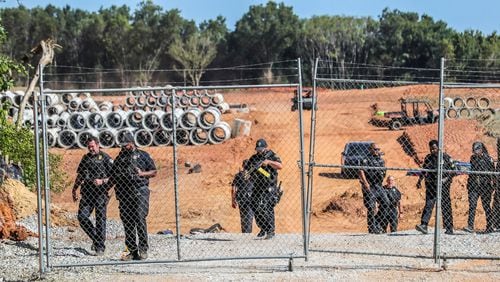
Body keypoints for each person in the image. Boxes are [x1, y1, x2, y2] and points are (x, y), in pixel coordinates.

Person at [110, 132, 157, 261]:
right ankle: (132, 251)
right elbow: (113, 176)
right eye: (122, 145)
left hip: (139, 192)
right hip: (124, 194)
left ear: (131, 143)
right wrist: (105, 189)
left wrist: (141, 174)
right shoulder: (119, 158)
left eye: (125, 145)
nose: (123, 147)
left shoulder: (143, 155)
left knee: (140, 218)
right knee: (128, 223)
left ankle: (143, 249)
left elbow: (154, 172)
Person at [72, 136, 113, 255]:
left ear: (98, 145)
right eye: (89, 147)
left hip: (101, 193)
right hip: (87, 193)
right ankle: (97, 239)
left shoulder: (105, 158)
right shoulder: (85, 158)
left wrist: (103, 181)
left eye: (92, 146)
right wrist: (74, 189)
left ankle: (100, 247)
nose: (91, 149)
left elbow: (114, 176)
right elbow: (80, 175)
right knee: (82, 217)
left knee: (100, 219)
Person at [416, 140, 456, 235]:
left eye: (434, 148)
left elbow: (454, 170)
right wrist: (419, 181)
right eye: (431, 149)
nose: (432, 151)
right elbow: (424, 170)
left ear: (438, 147)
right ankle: (424, 225)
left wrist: (446, 179)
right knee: (429, 204)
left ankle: (449, 228)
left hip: (444, 186)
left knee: (446, 206)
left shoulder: (446, 157)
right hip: (431, 186)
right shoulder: (428, 158)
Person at [245, 138, 282, 240]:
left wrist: (269, 162)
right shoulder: (254, 158)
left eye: (261, 148)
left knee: (267, 206)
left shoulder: (271, 155)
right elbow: (247, 169)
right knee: (254, 204)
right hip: (257, 185)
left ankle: (271, 231)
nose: (259, 150)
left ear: (266, 148)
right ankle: (263, 227)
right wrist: (248, 173)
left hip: (269, 184)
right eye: (258, 148)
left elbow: (280, 166)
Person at [358, 143, 389, 234]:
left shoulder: (380, 160)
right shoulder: (366, 159)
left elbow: (384, 170)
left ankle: (377, 222)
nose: (377, 151)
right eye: (375, 149)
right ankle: (372, 228)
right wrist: (366, 183)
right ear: (370, 149)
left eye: (378, 149)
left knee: (386, 203)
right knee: (371, 207)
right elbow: (361, 171)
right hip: (370, 185)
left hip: (378, 185)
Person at [464, 141, 495, 233]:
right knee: (472, 205)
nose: (474, 152)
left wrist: (492, 186)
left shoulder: (488, 159)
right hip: (474, 186)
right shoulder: (472, 158)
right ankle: (470, 226)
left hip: (485, 186)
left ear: (481, 149)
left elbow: (493, 173)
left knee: (486, 206)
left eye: (476, 150)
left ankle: (490, 226)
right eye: (473, 150)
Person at [231, 159, 254, 233]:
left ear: (242, 166)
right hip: (251, 197)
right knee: (249, 216)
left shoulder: (238, 175)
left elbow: (233, 188)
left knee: (243, 216)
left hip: (241, 197)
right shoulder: (254, 174)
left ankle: (245, 232)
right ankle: (248, 233)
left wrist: (233, 200)